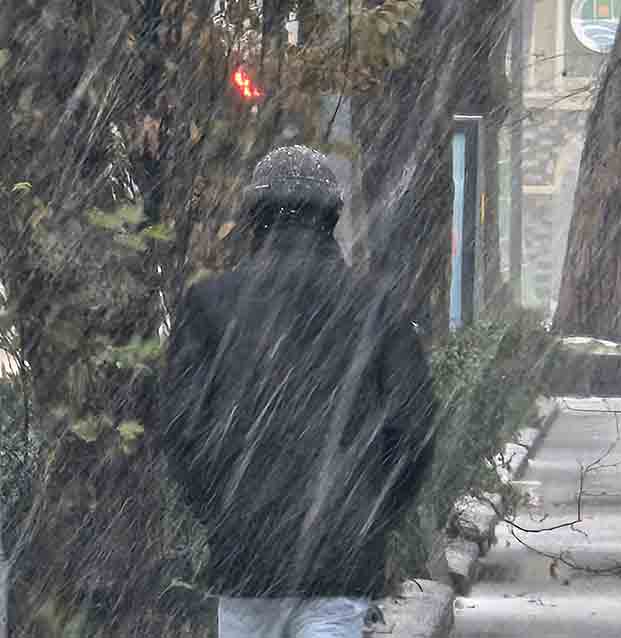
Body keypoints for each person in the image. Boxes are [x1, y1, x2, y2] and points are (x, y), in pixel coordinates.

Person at [160, 146, 436, 637]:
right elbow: (412, 429)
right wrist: (372, 515)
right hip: (341, 553)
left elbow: (183, 429)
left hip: (247, 556)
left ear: (255, 216)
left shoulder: (209, 306)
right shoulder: (376, 307)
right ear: (331, 216)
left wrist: (221, 513)